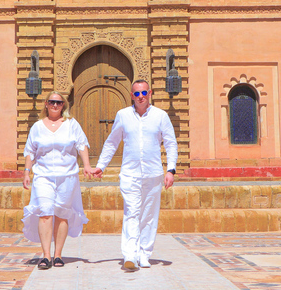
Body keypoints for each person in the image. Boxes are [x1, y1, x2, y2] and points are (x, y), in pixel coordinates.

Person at [91, 79, 178, 271]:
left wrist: (171, 170)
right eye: (137, 93)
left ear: (150, 93)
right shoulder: (123, 115)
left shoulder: (161, 116)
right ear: (131, 95)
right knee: (132, 212)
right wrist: (101, 166)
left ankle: (144, 254)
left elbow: (171, 143)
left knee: (148, 215)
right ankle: (130, 255)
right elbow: (112, 142)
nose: (141, 97)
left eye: (144, 93)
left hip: (153, 174)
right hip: (130, 174)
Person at [22, 91, 93, 270]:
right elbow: (30, 151)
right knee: (45, 212)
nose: (55, 105)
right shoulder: (37, 126)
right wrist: (26, 172)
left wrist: (87, 165)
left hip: (67, 175)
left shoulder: (71, 124)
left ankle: (58, 254)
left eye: (59, 103)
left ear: (64, 106)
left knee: (62, 214)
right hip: (43, 176)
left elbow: (81, 144)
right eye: (52, 102)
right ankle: (46, 256)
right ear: (46, 104)